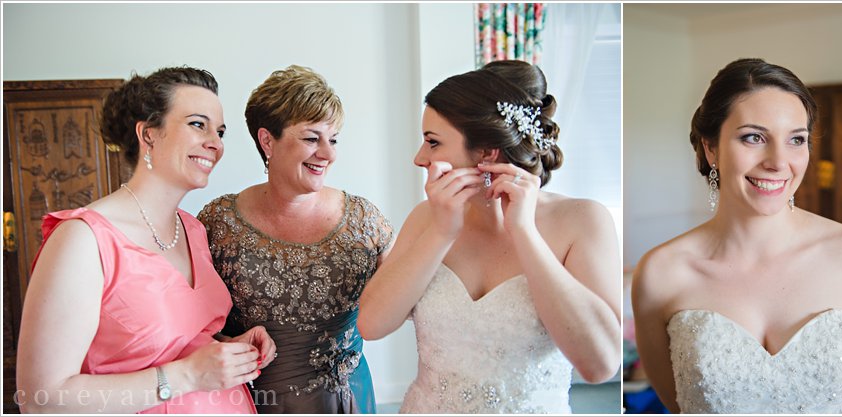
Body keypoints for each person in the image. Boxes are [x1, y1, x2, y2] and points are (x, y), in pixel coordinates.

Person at [357, 60, 622, 413]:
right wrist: (440, 232)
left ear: (486, 152)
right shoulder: (427, 219)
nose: (419, 158)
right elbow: (371, 324)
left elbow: (601, 364)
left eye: (433, 143)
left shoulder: (582, 220)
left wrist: (524, 232)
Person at [632, 58, 842, 414]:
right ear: (711, 147)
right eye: (754, 137)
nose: (779, 161)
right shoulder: (660, 272)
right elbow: (676, 401)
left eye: (796, 139)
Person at [15, 66, 276, 413]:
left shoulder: (193, 230)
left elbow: (174, 343)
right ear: (149, 134)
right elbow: (40, 400)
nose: (215, 143)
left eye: (221, 131)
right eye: (198, 124)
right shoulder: (83, 240)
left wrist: (229, 350)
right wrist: (189, 377)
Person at [197, 65, 393, 413]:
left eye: (333, 139)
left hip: (352, 401)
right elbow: (196, 329)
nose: (328, 154)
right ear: (267, 140)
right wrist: (232, 345)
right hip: (262, 403)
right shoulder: (219, 223)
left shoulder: (364, 220)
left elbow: (409, 302)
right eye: (311, 138)